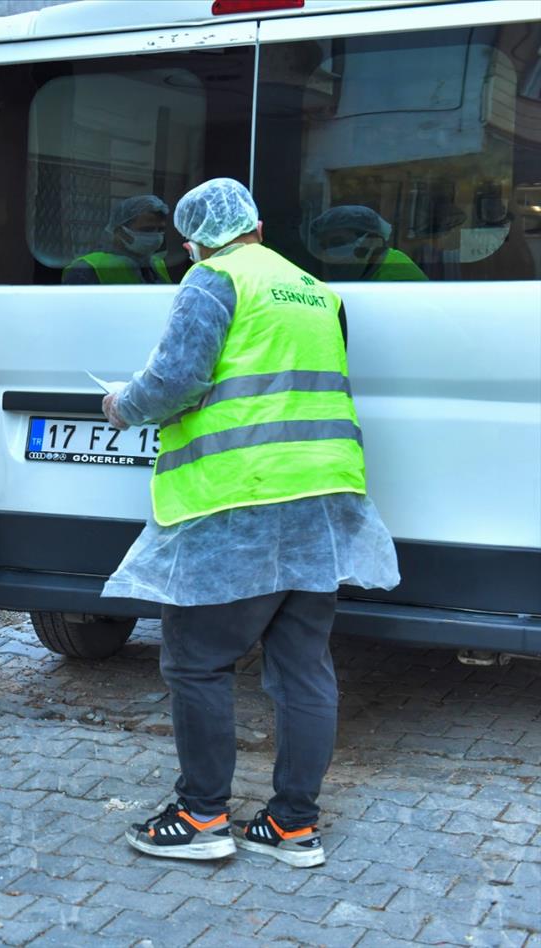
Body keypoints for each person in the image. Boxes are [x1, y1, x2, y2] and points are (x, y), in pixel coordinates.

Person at [101, 178, 399, 867]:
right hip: (325, 498)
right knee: (303, 667)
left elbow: (176, 382)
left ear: (194, 239)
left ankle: (201, 815)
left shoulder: (213, 280)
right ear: (258, 225)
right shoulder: (316, 290)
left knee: (197, 660)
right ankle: (293, 824)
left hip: (241, 498)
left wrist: (119, 405)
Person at [63, 195, 173, 285]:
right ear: (119, 230)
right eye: (147, 229)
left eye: (160, 229)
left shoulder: (156, 263)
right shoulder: (88, 268)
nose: (156, 236)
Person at [307, 205, 426, 280]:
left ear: (370, 240)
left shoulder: (396, 277)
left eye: (338, 242)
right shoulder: (366, 268)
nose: (329, 252)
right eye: (324, 246)